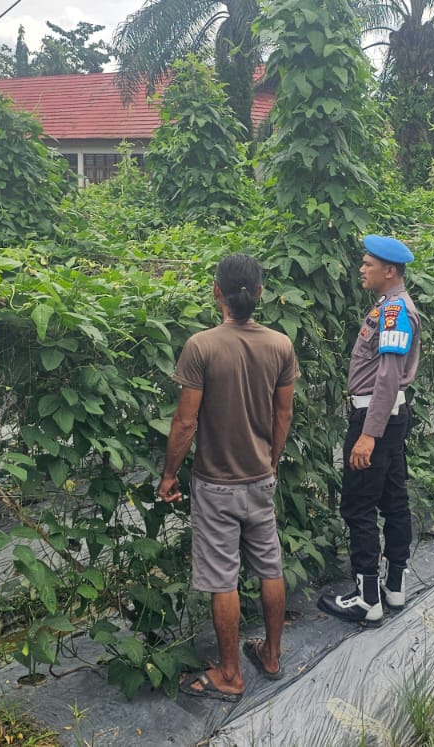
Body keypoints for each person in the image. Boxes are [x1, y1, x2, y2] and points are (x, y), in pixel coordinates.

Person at [159, 253, 300, 702]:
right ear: (259, 294)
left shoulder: (201, 346)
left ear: (216, 291)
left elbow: (185, 422)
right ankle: (272, 656)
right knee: (270, 566)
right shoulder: (280, 345)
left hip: (215, 484)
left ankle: (230, 675)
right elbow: (283, 413)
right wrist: (271, 461)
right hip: (260, 478)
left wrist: (169, 475)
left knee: (223, 578)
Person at [319, 234, 421, 626]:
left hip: (375, 418)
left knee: (358, 505)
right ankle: (394, 587)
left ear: (389, 270)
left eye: (368, 264)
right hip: (390, 418)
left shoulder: (394, 312)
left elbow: (388, 376)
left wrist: (368, 434)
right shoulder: (389, 307)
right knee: (394, 499)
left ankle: (367, 599)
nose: (361, 269)